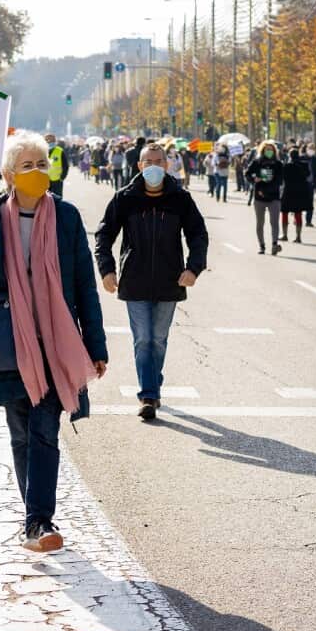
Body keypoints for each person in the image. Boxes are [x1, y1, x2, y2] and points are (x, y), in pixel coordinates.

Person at [0, 130, 107, 553]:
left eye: (42, 164)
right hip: (10, 339)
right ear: (8, 174)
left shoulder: (67, 217)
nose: (37, 172)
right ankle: (35, 518)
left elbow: (85, 286)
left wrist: (96, 345)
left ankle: (38, 520)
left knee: (44, 430)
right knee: (21, 433)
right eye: (27, 166)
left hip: (55, 339)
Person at [94, 141, 208, 422]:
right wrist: (107, 270)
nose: (153, 166)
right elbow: (104, 235)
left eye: (159, 161)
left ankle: (152, 381)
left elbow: (198, 235)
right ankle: (149, 395)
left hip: (171, 281)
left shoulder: (180, 198)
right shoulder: (126, 197)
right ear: (139, 166)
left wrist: (193, 269)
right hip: (135, 281)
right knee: (143, 338)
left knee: (158, 340)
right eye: (148, 162)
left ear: (167, 165)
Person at [245, 141, 284, 255]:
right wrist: (254, 179)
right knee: (260, 223)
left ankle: (274, 244)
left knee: (274, 222)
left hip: (273, 198)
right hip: (259, 197)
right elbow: (247, 173)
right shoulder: (257, 162)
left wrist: (268, 189)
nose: (269, 151)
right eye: (266, 149)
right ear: (262, 150)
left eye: (271, 149)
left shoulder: (278, 164)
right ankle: (262, 245)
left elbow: (279, 181)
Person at [280, 148, 314, 243]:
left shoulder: (286, 166)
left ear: (290, 156)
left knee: (284, 213)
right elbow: (308, 175)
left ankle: (285, 235)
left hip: (288, 192)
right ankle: (298, 237)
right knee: (298, 214)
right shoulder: (304, 165)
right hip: (300, 192)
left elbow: (282, 178)